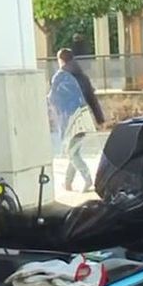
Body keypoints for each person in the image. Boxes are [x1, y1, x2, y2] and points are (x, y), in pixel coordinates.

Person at [48, 48, 106, 192]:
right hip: (84, 117)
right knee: (73, 151)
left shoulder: (60, 77)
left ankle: (88, 179)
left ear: (61, 60)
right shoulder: (82, 76)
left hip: (71, 119)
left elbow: (53, 99)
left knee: (72, 152)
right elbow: (92, 99)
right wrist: (100, 119)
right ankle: (68, 183)